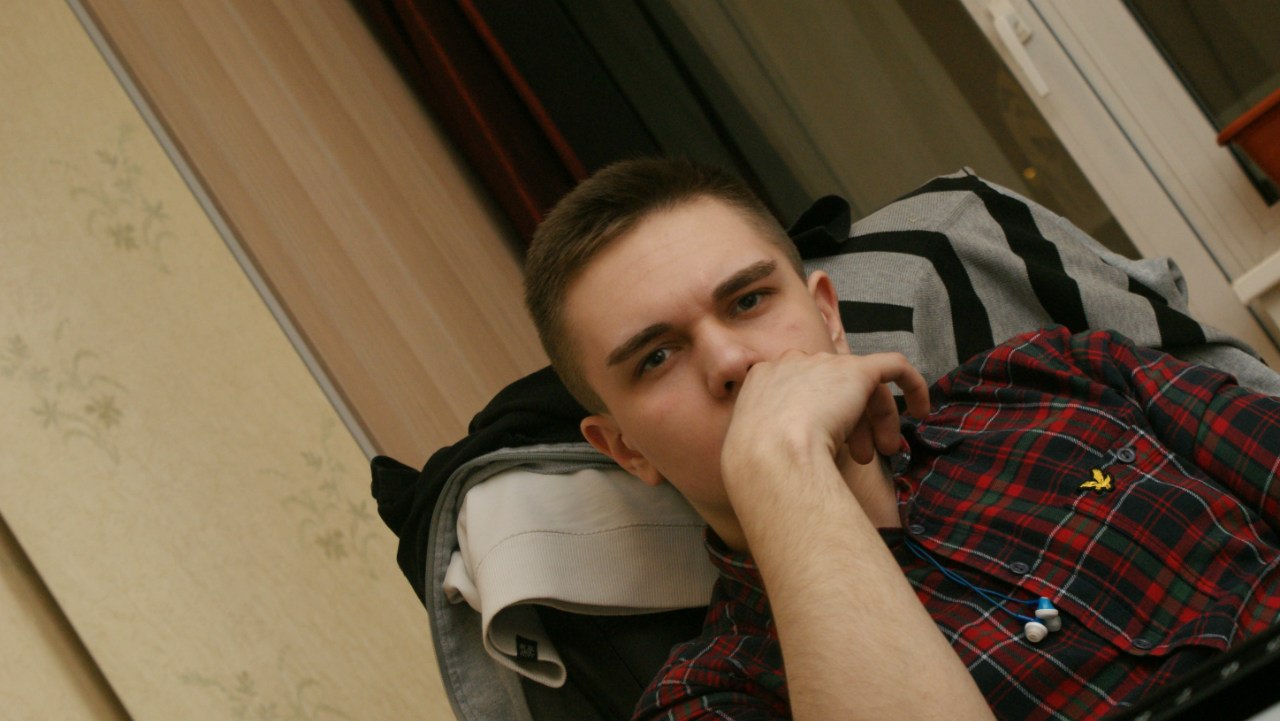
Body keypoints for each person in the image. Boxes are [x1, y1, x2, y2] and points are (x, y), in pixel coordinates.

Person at [522, 157, 1280, 721]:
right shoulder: (708, 698)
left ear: (828, 315)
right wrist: (783, 463)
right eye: (657, 358)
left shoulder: (1060, 376)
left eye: (748, 301)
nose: (730, 362)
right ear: (626, 450)